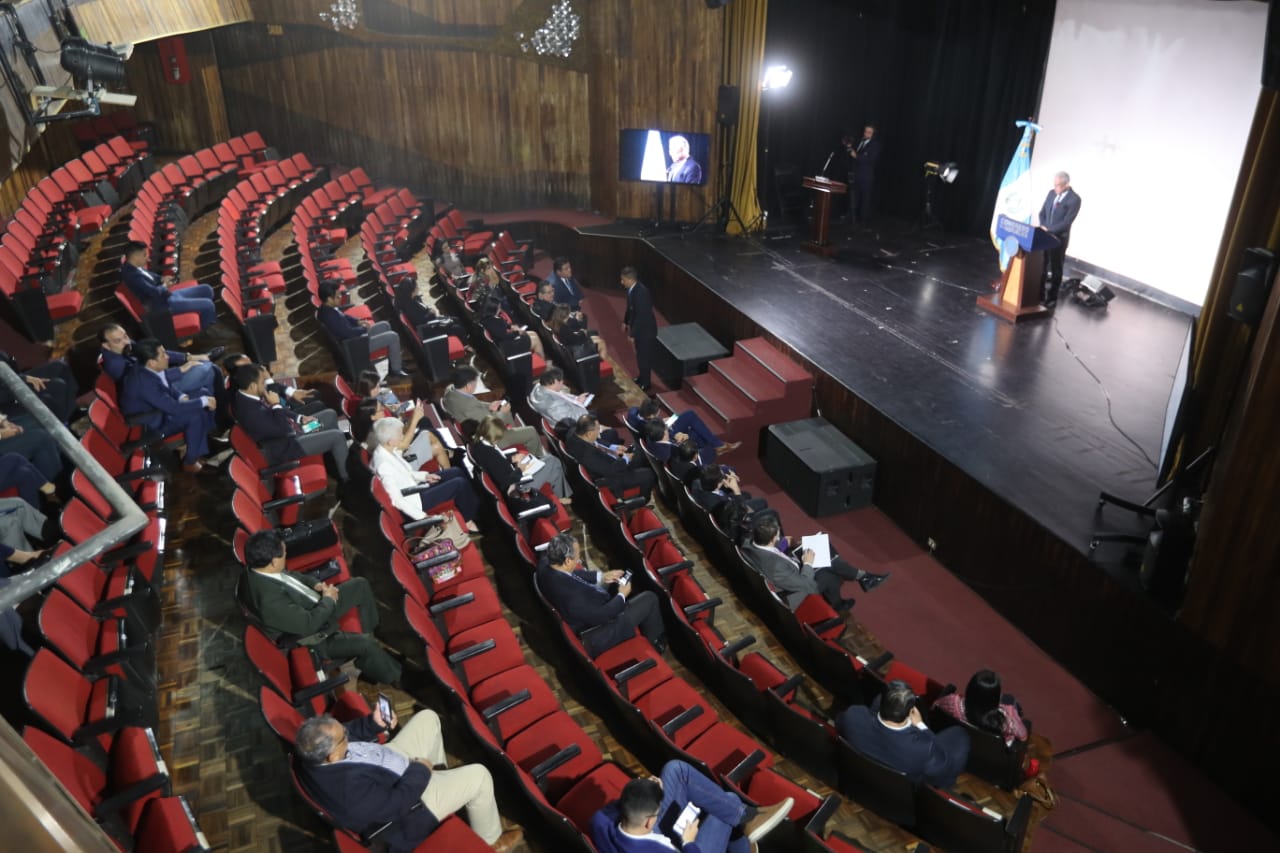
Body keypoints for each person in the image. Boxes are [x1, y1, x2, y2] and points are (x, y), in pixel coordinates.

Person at [294, 708, 521, 853]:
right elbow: (397, 804)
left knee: (428, 718)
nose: (347, 731)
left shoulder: (310, 749)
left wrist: (374, 723)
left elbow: (346, 733)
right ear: (332, 756)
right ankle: (489, 842)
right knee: (479, 776)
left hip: (388, 765)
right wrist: (421, 771)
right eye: (343, 735)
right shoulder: (348, 794)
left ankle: (442, 777)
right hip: (410, 808)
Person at [242, 529, 402, 685]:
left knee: (360, 585)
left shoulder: (259, 569)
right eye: (284, 553)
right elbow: (309, 624)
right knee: (365, 644)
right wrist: (329, 600)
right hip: (313, 635)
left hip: (315, 603)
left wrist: (315, 584)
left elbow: (292, 576)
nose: (286, 555)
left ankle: (372, 644)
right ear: (273, 562)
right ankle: (395, 677)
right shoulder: (269, 601)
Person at [590, 759, 793, 853]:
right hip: (682, 848)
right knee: (727, 802)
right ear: (650, 821)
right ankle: (746, 824)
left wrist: (648, 789)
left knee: (675, 769)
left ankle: (746, 818)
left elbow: (625, 804)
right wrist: (688, 842)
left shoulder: (600, 821)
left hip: (647, 831)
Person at [537, 532, 664, 656]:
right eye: (577, 557)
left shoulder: (545, 564)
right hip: (599, 634)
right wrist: (622, 595)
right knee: (650, 598)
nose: (579, 560)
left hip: (589, 608)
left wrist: (602, 577)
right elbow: (603, 616)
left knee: (617, 582)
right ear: (567, 561)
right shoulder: (574, 598)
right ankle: (655, 645)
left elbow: (571, 574)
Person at [837, 679, 970, 787]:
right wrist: (921, 726)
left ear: (881, 701)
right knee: (959, 735)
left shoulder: (853, 715)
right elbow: (943, 767)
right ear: (910, 711)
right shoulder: (923, 748)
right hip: (901, 788)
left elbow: (839, 724)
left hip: (859, 775)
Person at [231, 363, 350, 482]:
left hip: (295, 431)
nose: (265, 386)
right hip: (289, 445)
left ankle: (334, 458)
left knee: (329, 415)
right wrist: (276, 405)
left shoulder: (247, 394)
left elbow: (279, 414)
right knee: (337, 436)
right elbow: (285, 430)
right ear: (252, 386)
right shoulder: (251, 413)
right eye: (263, 382)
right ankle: (347, 479)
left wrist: (299, 418)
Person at [742, 516, 887, 613]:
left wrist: (783, 544)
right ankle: (860, 582)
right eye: (778, 536)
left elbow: (769, 551)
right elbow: (806, 586)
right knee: (830, 571)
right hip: (792, 596)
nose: (780, 537)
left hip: (787, 569)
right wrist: (808, 564)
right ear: (772, 539)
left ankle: (862, 580)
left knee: (828, 558)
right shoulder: (775, 567)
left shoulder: (749, 543)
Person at [120, 339, 218, 473]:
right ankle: (190, 461)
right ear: (152, 362)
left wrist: (180, 396)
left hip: (159, 408)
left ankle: (202, 439)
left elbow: (163, 382)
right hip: (151, 422)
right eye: (162, 355)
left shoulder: (146, 367)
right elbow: (174, 408)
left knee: (203, 392)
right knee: (195, 414)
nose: (167, 356)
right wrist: (204, 401)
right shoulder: (144, 383)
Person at [369, 416, 480, 527]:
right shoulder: (383, 465)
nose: (403, 437)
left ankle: (474, 504)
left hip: (414, 488)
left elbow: (406, 473)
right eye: (401, 435)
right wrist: (422, 516)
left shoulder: (386, 449)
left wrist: (425, 476)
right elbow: (396, 499)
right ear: (391, 441)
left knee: (455, 471)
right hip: (416, 502)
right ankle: (468, 518)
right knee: (459, 484)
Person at [98, 323, 222, 401]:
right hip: (157, 392)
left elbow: (157, 353)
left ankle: (215, 408)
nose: (126, 342)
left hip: (161, 378)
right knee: (208, 370)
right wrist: (181, 369)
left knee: (211, 370)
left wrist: (190, 357)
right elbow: (150, 380)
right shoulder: (116, 365)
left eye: (125, 336)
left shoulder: (125, 346)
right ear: (106, 346)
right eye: (117, 341)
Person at [316, 281, 410, 379]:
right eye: (338, 296)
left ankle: (395, 362)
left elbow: (344, 317)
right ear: (329, 299)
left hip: (356, 338)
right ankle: (396, 371)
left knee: (385, 325)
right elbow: (349, 333)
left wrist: (358, 322)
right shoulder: (330, 316)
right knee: (393, 336)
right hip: (356, 346)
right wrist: (363, 329)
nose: (341, 297)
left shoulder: (327, 308)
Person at [441, 367, 544, 456]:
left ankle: (515, 433)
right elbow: (490, 425)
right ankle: (536, 457)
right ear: (468, 386)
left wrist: (489, 406)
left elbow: (474, 403)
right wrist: (502, 413)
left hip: (476, 424)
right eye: (475, 383)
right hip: (491, 437)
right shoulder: (468, 408)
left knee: (505, 410)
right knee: (531, 431)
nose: (476, 385)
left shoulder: (451, 391)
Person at [119, 240, 218, 332]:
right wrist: (165, 285)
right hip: (162, 305)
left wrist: (162, 278)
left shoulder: (133, 266)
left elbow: (150, 276)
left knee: (207, 289)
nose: (148, 258)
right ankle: (206, 331)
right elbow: (153, 293)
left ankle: (205, 318)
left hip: (167, 296)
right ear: (135, 257)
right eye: (144, 255)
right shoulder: (132, 275)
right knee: (208, 305)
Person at [470, 415, 571, 502]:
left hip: (515, 475)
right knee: (554, 463)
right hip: (520, 486)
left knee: (549, 459)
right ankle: (562, 497)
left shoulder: (479, 444)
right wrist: (520, 469)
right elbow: (505, 483)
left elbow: (496, 467)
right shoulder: (490, 454)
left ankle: (560, 497)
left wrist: (512, 459)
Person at [565, 415, 654, 504]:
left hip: (607, 460)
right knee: (648, 474)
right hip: (610, 478)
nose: (599, 432)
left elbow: (597, 442)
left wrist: (613, 448)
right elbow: (610, 470)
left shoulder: (574, 432)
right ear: (589, 434)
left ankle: (638, 473)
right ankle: (641, 501)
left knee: (637, 449)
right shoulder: (586, 454)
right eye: (597, 429)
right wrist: (625, 458)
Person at [932, 669, 1029, 747]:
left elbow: (936, 705)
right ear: (996, 698)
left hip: (960, 745)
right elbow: (1023, 737)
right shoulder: (1007, 718)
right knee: (1010, 699)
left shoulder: (952, 702)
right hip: (989, 756)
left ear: (970, 688)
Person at [1037, 171, 1082, 307]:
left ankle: (1052, 298)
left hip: (1059, 239)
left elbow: (1067, 222)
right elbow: (1042, 212)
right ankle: (1039, 293)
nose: (1055, 188)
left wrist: (1049, 230)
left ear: (1066, 184)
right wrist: (1043, 227)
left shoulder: (1074, 199)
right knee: (1042, 266)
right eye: (1054, 185)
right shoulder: (1051, 193)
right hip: (1045, 236)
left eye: (1058, 186)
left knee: (1056, 268)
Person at [626, 398, 733, 454]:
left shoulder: (633, 413)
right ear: (652, 416)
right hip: (666, 435)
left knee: (689, 415)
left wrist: (661, 421)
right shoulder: (647, 426)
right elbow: (659, 434)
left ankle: (715, 446)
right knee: (693, 432)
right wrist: (668, 429)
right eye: (657, 414)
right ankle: (715, 446)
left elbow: (649, 421)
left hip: (662, 428)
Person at [0, 352, 79, 425]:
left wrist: (21, 377)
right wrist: (23, 379)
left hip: (6, 378)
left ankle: (68, 413)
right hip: (4, 395)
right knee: (58, 386)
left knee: (60, 367)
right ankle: (61, 423)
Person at [621, 266, 657, 391]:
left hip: (646, 332)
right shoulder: (631, 290)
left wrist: (632, 334)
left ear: (630, 279)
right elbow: (630, 308)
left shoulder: (641, 292)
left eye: (623, 280)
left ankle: (646, 383)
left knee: (644, 358)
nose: (622, 282)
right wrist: (625, 322)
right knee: (640, 356)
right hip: (640, 330)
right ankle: (642, 377)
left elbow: (642, 316)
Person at [846, 125, 881, 225]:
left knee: (865, 198)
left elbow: (870, 160)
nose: (867, 133)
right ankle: (851, 217)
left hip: (866, 176)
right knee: (854, 196)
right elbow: (854, 155)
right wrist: (849, 149)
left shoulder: (875, 145)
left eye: (869, 132)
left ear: (873, 134)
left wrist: (856, 156)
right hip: (856, 174)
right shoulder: (860, 142)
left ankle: (863, 220)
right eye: (866, 131)